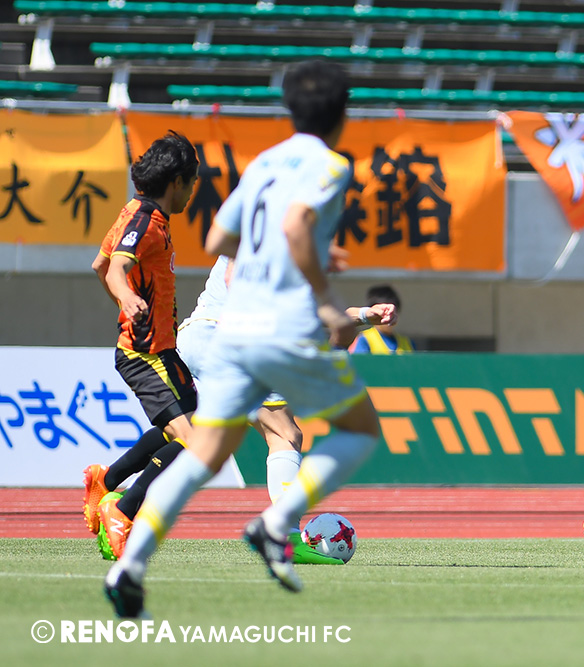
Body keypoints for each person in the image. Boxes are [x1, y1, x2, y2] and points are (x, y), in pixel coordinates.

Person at [105, 59, 383, 619]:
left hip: (218, 337)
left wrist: (285, 254)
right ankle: (277, 526)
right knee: (348, 430)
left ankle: (130, 565)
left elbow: (217, 238)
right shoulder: (330, 165)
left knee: (206, 452)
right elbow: (297, 226)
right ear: (341, 115)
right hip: (268, 331)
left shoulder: (263, 165)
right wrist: (325, 294)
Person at [83, 131, 200, 551]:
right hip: (146, 355)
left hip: (161, 349)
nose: (192, 192)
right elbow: (115, 269)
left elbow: (99, 264)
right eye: (192, 183)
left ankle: (107, 479)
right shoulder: (145, 223)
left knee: (186, 428)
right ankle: (124, 509)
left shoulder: (134, 211)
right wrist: (127, 298)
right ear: (176, 182)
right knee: (195, 444)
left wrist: (127, 302)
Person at [348, 284, 413, 354]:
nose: (388, 317)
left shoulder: (407, 342)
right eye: (385, 312)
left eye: (392, 312)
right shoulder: (364, 339)